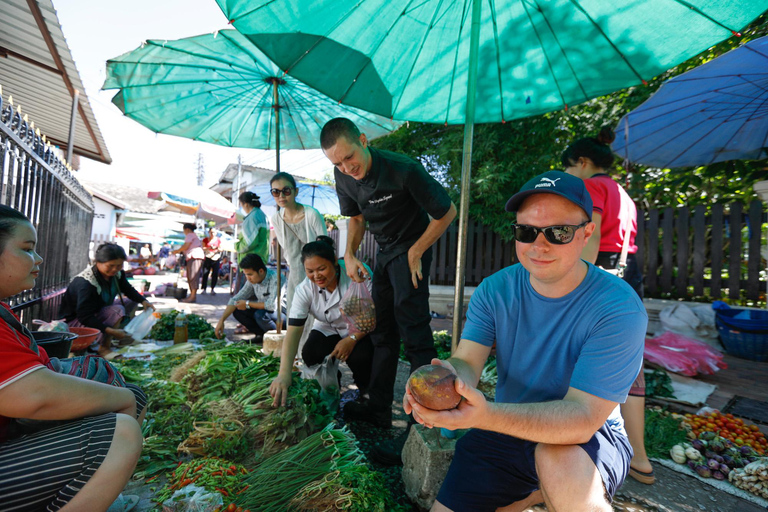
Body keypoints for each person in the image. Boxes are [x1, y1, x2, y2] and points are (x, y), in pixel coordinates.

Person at [404, 171, 647, 512]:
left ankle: (546, 487)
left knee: (554, 457)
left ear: (587, 232)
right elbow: (467, 361)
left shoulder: (618, 308)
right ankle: (534, 491)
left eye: (559, 232)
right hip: (507, 426)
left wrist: (482, 414)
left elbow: (581, 419)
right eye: (526, 231)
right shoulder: (495, 289)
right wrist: (449, 380)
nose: (539, 245)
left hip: (587, 440)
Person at [0, 204, 146, 512]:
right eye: (27, 249)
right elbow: (34, 395)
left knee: (129, 392)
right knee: (121, 430)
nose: (38, 259)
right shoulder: (84, 283)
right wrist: (115, 394)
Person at [320, 118, 457, 435]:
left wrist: (417, 250)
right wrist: (349, 254)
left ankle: (423, 417)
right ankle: (378, 406)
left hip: (412, 251)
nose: (346, 167)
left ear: (364, 141)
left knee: (414, 331)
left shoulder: (402, 168)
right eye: (337, 163)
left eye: (349, 157)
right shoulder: (344, 176)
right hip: (383, 253)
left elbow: (446, 211)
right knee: (382, 332)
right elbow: (355, 218)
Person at [563, 128, 653, 485]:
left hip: (600, 273)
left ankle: (579, 446)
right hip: (628, 276)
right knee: (628, 363)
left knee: (580, 356)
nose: (569, 175)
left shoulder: (593, 187)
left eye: (569, 167)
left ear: (583, 163)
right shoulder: (623, 192)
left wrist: (578, 280)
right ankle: (640, 458)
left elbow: (593, 232)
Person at [270, 236, 374, 406]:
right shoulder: (304, 289)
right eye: (310, 271)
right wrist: (284, 374)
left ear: (334, 261)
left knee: (361, 357)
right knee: (310, 352)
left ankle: (366, 393)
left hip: (359, 327)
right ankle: (333, 386)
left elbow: (370, 315)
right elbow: (294, 332)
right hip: (327, 326)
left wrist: (351, 339)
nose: (316, 276)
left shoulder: (358, 274)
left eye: (321, 269)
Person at [60, 242, 155, 356]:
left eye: (119, 265)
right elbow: (84, 316)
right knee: (117, 310)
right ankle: (104, 347)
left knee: (130, 302)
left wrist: (143, 301)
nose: (115, 269)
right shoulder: (87, 284)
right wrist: (110, 331)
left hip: (97, 311)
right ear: (98, 262)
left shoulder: (117, 274)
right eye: (110, 265)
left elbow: (127, 289)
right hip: (75, 323)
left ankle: (119, 336)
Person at [269, 172, 327, 316]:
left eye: (286, 191)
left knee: (316, 315)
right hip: (295, 274)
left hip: (317, 274)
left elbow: (325, 246)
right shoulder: (277, 219)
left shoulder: (312, 214)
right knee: (295, 314)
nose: (281, 196)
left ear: (296, 191)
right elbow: (286, 248)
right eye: (276, 192)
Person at [214, 254, 284, 344]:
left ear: (261, 271)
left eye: (250, 274)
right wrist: (222, 320)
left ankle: (277, 339)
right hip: (267, 312)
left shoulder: (276, 278)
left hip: (282, 315)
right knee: (237, 309)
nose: (248, 278)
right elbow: (235, 299)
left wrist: (247, 304)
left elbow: (272, 305)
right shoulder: (252, 280)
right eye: (246, 275)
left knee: (261, 314)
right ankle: (261, 335)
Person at [236, 191, 269, 271]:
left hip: (250, 263)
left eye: (241, 205)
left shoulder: (252, 217)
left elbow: (249, 243)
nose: (241, 208)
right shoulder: (262, 215)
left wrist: (236, 246)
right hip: (260, 259)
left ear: (246, 204)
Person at [172, 223, 204, 303]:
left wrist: (176, 251)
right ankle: (192, 296)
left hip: (195, 257)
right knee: (191, 276)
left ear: (187, 229)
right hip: (194, 257)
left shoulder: (190, 235)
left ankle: (193, 296)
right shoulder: (194, 235)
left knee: (193, 277)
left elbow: (185, 246)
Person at [201, 228, 222, 295]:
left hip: (215, 258)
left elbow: (221, 248)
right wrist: (209, 248)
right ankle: (204, 288)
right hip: (207, 257)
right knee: (205, 273)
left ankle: (212, 288)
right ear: (209, 233)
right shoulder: (205, 240)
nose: (212, 234)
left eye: (214, 232)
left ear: (216, 233)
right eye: (211, 232)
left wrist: (216, 249)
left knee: (215, 274)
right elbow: (203, 248)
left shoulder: (218, 240)